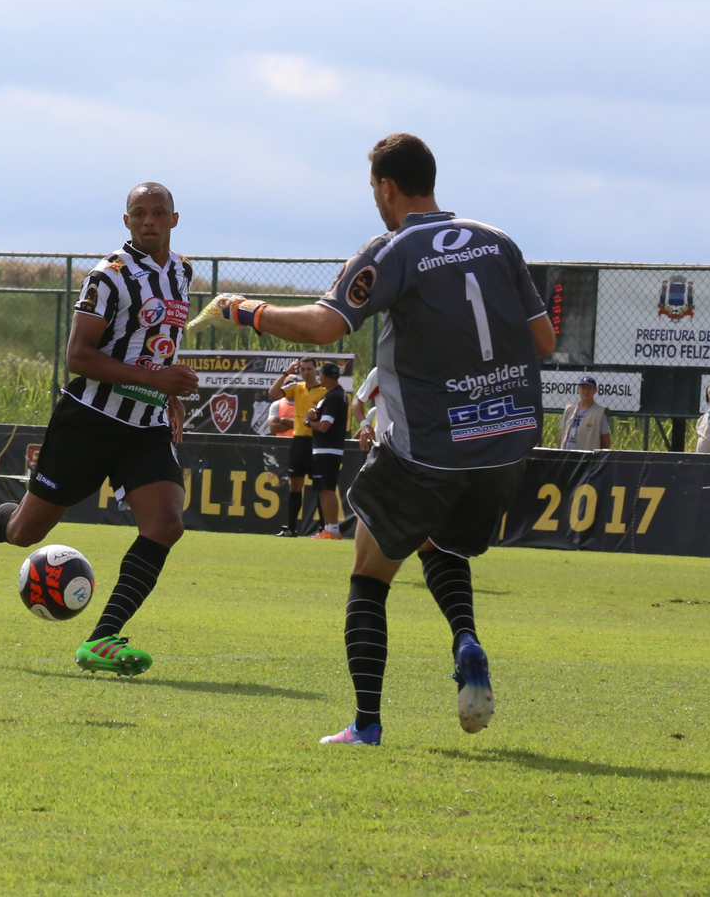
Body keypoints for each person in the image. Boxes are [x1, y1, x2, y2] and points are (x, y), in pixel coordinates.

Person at [190, 132, 556, 745]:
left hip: (430, 448)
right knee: (438, 540)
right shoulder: (498, 242)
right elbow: (542, 341)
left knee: (368, 573)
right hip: (507, 444)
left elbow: (324, 325)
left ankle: (366, 725)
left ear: (386, 187)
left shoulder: (392, 249)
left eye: (373, 190)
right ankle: (466, 639)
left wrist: (246, 309)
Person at [0, 180, 198, 677]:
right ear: (126, 220)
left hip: (145, 425)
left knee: (166, 525)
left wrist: (168, 393)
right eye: (140, 213)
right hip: (89, 423)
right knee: (24, 531)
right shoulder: (108, 276)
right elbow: (79, 356)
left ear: (174, 219)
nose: (149, 221)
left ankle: (102, 639)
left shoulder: (182, 271)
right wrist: (157, 380)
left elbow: (156, 342)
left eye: (159, 212)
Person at [268, 357, 324, 536]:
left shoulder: (324, 391)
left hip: (316, 441)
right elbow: (273, 392)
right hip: (299, 441)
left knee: (320, 487)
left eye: (309, 369)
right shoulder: (297, 388)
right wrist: (287, 372)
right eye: (303, 369)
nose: (306, 373)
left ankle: (324, 528)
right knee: (295, 485)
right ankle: (291, 528)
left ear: (316, 371)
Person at [305, 362, 348, 539]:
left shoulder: (334, 396)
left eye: (320, 374)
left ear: (326, 376)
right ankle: (328, 529)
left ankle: (333, 529)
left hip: (328, 449)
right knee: (323, 489)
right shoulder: (332, 395)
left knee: (327, 488)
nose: (319, 378)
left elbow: (324, 426)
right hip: (325, 449)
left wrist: (310, 422)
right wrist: (312, 417)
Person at [559, 375, 611, 450]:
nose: (586, 391)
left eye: (589, 388)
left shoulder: (600, 413)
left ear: (595, 390)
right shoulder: (569, 409)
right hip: (566, 454)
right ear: (578, 389)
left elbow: (606, 443)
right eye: (583, 388)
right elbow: (561, 435)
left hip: (587, 456)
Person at [352, 366, 381, 451]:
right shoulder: (380, 373)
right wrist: (365, 425)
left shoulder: (417, 374)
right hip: (384, 448)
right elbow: (357, 401)